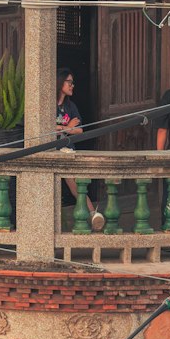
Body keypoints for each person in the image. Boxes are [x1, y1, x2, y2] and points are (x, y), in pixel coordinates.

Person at [57, 67, 105, 231]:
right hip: (51, 152)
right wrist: (67, 126)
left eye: (72, 82)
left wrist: (64, 128)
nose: (72, 85)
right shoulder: (47, 105)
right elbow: (43, 127)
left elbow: (79, 130)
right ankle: (91, 214)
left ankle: (93, 215)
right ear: (59, 82)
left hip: (68, 150)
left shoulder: (71, 106)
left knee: (76, 184)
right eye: (69, 82)